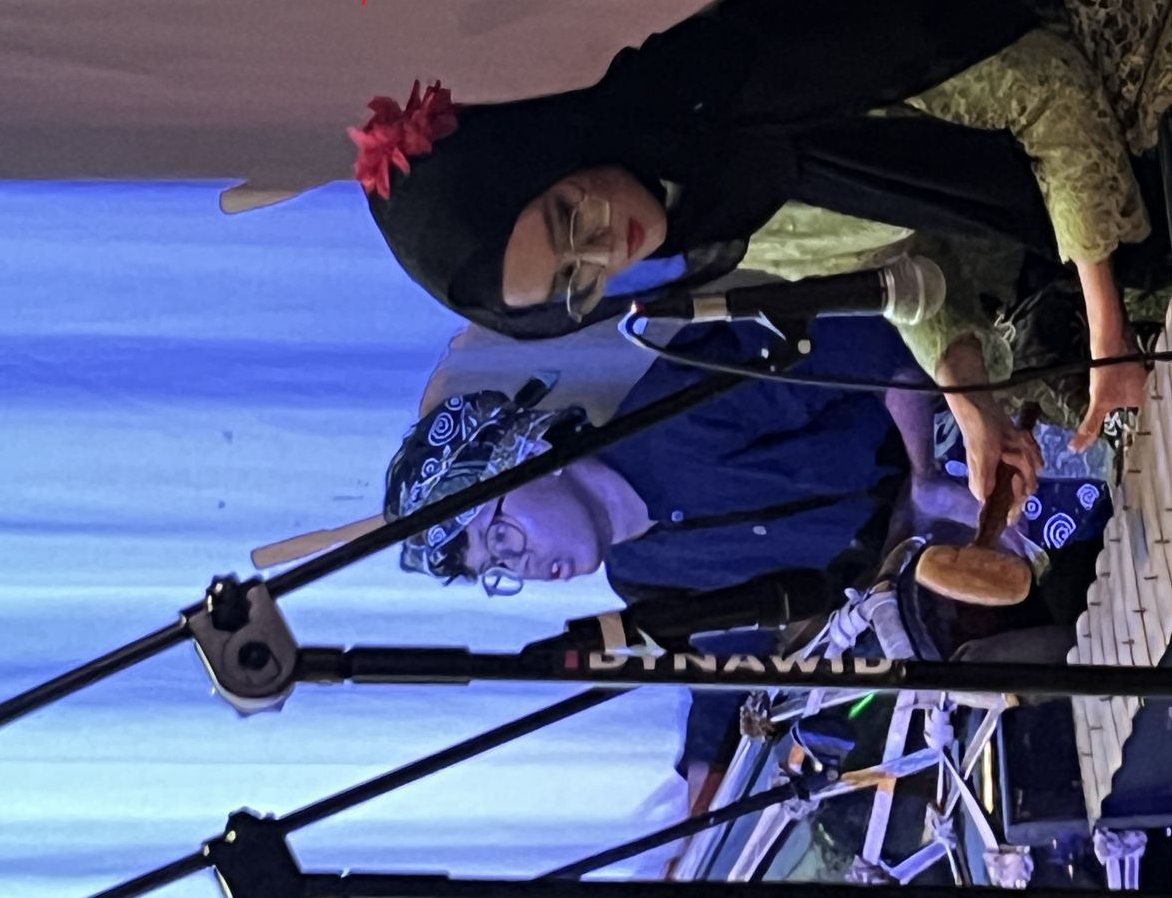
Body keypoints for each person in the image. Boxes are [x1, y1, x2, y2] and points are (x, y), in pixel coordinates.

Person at [349, 0, 1172, 512]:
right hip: (1091, 192)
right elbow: (903, 269)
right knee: (1131, 412)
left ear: (552, 148)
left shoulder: (737, 72)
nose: (603, 248)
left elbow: (1045, 86)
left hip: (1123, 56)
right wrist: (968, 402)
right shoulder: (707, 219)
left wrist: (1104, 323)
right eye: (574, 281)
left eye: (568, 217)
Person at [372, 316, 1113, 814]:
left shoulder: (678, 408)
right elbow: (729, 654)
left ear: (530, 456)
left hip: (973, 445)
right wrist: (701, 797)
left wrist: (921, 476)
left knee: (1121, 507)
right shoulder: (639, 577)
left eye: (502, 537)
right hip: (940, 579)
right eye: (499, 569)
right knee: (1045, 689)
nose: (525, 565)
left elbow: (871, 340)